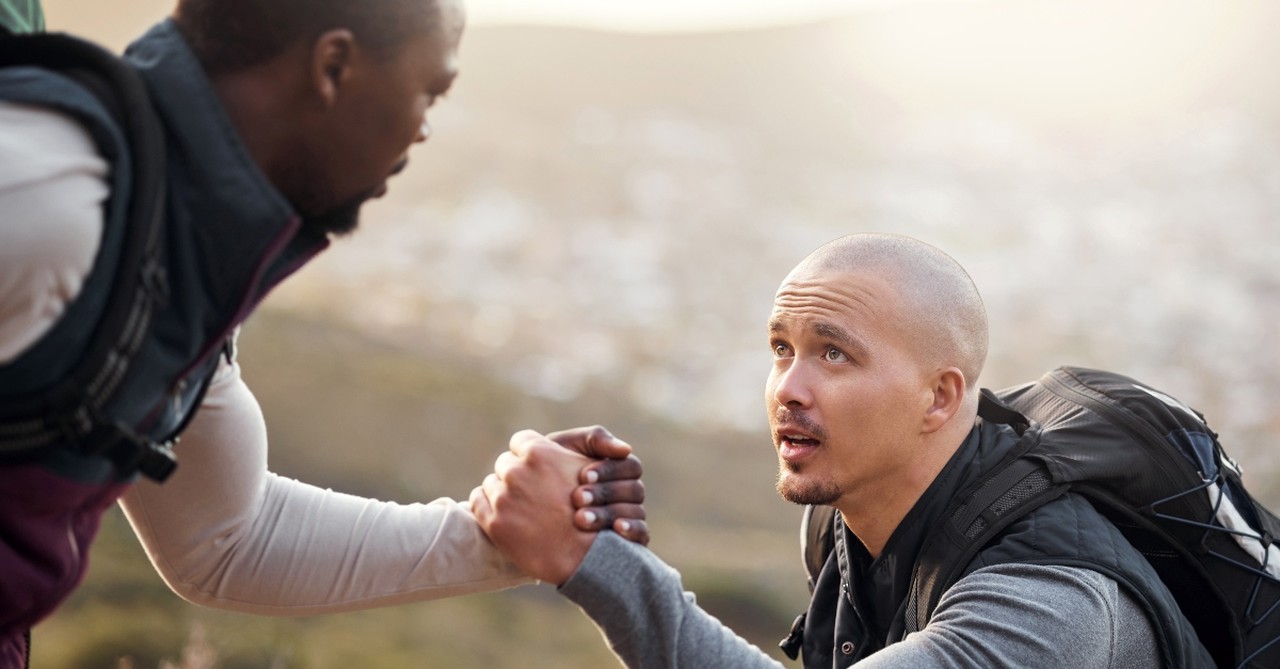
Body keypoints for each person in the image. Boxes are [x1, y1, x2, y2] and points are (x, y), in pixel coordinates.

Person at [0, 1, 648, 666]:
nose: (423, 131)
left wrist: (509, 534)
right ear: (333, 65)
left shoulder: (173, 246)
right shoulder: (46, 201)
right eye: (430, 91)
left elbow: (225, 541)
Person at [472, 232, 1213, 668]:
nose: (788, 387)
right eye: (780, 348)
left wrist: (592, 560)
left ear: (940, 397)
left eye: (833, 354)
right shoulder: (840, 519)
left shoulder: (1049, 604)